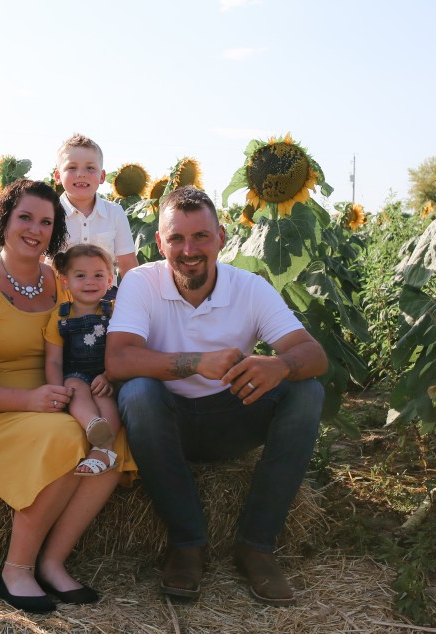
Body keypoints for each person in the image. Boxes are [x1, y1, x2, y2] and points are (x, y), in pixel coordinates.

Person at [105, 187, 328, 605]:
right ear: (160, 243)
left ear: (221, 237)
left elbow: (314, 355)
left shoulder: (250, 288)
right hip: (166, 424)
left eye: (201, 236)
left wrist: (280, 365)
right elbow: (118, 360)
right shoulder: (141, 282)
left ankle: (257, 546)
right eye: (176, 238)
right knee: (137, 392)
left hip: (232, 419)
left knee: (306, 391)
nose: (189, 250)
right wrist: (195, 362)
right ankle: (188, 544)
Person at [0, 179, 134, 614]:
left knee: (113, 441)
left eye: (46, 222)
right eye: (24, 217)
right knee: (66, 437)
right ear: (2, 220)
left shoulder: (60, 280)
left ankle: (53, 562)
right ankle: (16, 569)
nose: (35, 229)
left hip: (57, 397)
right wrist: (27, 401)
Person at [44, 244, 121, 477]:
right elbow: (54, 360)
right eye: (80, 276)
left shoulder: (114, 311)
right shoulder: (60, 316)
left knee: (103, 396)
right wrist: (57, 392)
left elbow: (122, 349)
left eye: (98, 275)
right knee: (74, 388)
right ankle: (93, 424)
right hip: (75, 374)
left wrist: (109, 375)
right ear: (65, 281)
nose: (90, 282)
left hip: (105, 374)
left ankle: (104, 448)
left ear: (109, 280)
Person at [54, 134, 138, 286]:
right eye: (72, 168)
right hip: (59, 295)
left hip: (106, 297)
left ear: (102, 176)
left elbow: (128, 265)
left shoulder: (115, 213)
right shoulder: (50, 213)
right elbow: (39, 262)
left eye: (90, 168)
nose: (81, 174)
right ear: (58, 176)